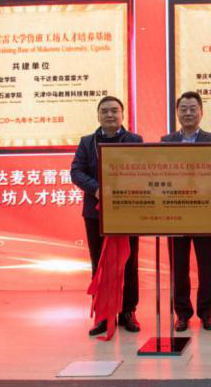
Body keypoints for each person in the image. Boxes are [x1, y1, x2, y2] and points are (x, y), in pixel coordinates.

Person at [70, 95, 143, 336]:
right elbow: (76, 172)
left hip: (128, 211)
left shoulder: (134, 141)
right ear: (98, 115)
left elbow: (143, 170)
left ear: (122, 114)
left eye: (114, 111)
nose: (110, 115)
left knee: (128, 262)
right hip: (96, 213)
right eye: (105, 111)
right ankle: (102, 314)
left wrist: (123, 191)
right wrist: (97, 189)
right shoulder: (87, 142)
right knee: (100, 263)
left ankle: (128, 311)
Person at [161, 91, 211, 332]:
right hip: (175, 213)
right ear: (177, 113)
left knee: (207, 266)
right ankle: (182, 314)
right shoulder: (166, 142)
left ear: (201, 112)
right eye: (183, 109)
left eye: (192, 108)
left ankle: (207, 314)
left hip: (204, 213)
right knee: (179, 267)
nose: (188, 113)